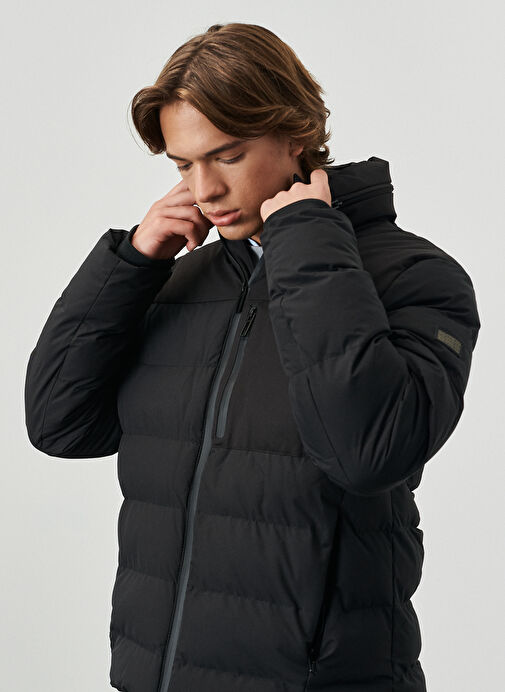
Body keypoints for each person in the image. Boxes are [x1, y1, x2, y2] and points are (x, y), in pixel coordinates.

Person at [24, 22, 481, 692]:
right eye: (183, 165)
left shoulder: (414, 278)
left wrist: (307, 239)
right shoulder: (182, 283)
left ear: (295, 133)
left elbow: (368, 453)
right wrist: (130, 265)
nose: (204, 189)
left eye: (227, 155)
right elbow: (59, 424)